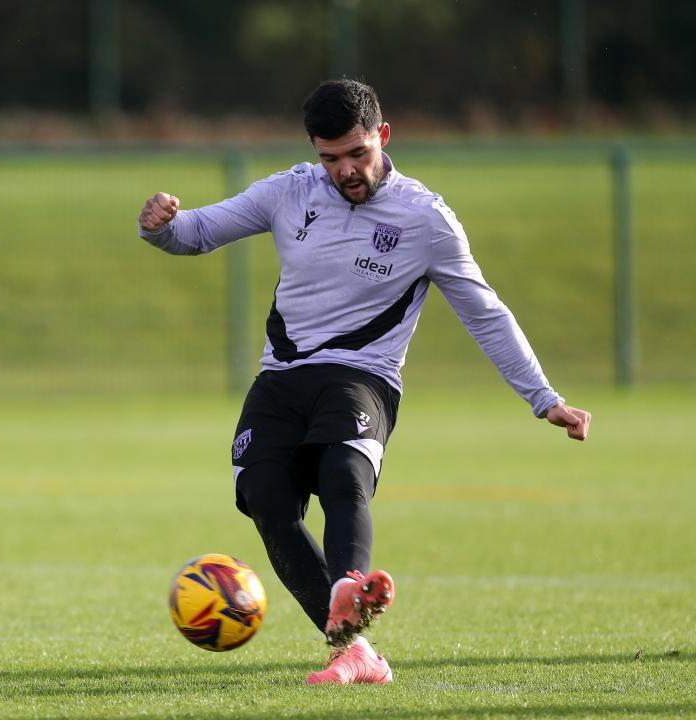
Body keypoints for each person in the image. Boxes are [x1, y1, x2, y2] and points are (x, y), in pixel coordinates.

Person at [137, 79, 591, 686]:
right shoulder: (289, 191)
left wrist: (545, 399)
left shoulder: (424, 218)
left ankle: (351, 589)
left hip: (362, 376)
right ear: (313, 150)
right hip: (281, 378)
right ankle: (353, 649)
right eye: (331, 159)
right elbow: (197, 232)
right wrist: (161, 226)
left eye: (358, 154)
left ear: (383, 135)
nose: (346, 171)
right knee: (266, 501)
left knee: (341, 472)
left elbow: (485, 312)